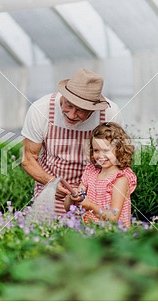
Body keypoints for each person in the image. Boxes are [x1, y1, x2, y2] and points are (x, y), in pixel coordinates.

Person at [21, 68, 124, 214]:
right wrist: (52, 182)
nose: (71, 114)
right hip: (52, 191)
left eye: (81, 110)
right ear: (63, 94)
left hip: (96, 196)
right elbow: (28, 158)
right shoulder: (41, 110)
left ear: (94, 109)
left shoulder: (110, 114)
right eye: (68, 105)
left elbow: (117, 159)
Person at [64, 122, 137, 228]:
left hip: (115, 237)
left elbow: (113, 217)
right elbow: (68, 208)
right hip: (92, 234)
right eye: (96, 150)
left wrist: (89, 205)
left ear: (119, 150)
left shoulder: (120, 179)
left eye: (106, 150)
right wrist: (72, 197)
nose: (101, 155)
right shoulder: (91, 172)